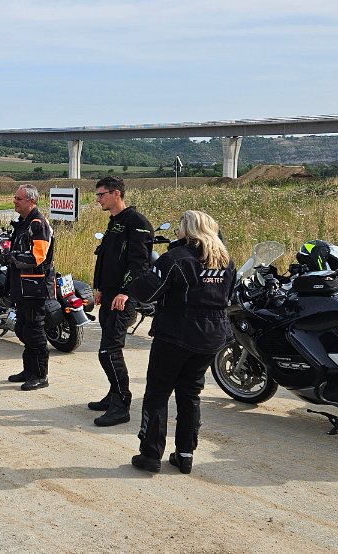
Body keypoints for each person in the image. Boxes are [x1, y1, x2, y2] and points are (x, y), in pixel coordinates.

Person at [128, 210, 235, 474]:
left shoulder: (176, 258)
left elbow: (146, 292)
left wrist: (139, 272)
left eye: (179, 227)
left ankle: (151, 454)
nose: (177, 232)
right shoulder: (225, 260)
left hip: (176, 334)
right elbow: (229, 295)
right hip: (212, 336)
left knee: (158, 393)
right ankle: (185, 454)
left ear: (187, 230)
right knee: (190, 394)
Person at [89, 175, 154, 427]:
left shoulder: (137, 222)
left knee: (109, 351)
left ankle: (121, 404)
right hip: (109, 295)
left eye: (101, 194)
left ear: (116, 193)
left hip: (123, 299)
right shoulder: (115, 221)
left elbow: (139, 264)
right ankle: (113, 393)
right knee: (106, 350)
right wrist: (101, 289)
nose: (98, 200)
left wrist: (126, 292)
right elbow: (108, 259)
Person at [4, 184, 56, 391]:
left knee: (34, 330)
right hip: (22, 286)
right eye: (15, 198)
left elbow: (37, 257)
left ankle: (41, 375)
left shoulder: (38, 223)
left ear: (31, 201)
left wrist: (11, 257)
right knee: (22, 328)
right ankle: (29, 370)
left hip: (35, 287)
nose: (15, 201)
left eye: (19, 199)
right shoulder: (24, 222)